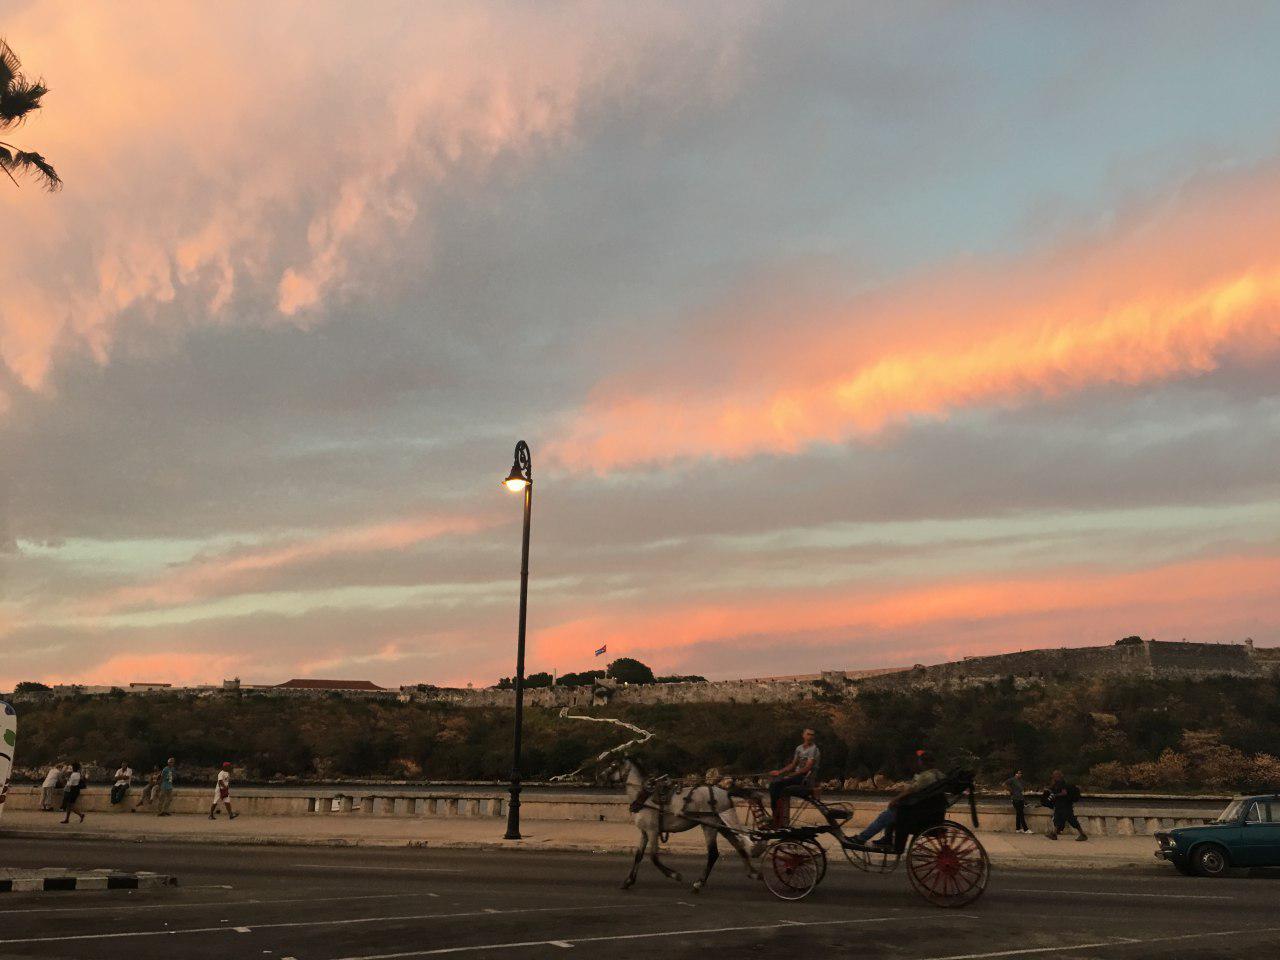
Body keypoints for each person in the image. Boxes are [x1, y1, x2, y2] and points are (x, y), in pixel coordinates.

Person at [849, 749, 944, 850]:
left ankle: (862, 838)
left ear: (922, 762)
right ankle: (887, 838)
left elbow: (911, 789)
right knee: (890, 812)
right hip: (928, 812)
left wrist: (895, 799)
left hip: (917, 815)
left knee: (885, 816)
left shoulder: (926, 776)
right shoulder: (938, 774)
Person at [768, 728, 821, 826]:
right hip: (797, 775)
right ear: (803, 735)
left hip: (805, 777)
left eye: (812, 735)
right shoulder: (799, 748)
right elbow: (793, 765)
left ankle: (777, 818)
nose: (810, 737)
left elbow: (807, 767)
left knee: (776, 785)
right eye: (808, 734)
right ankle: (777, 816)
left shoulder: (813, 749)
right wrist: (779, 772)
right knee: (774, 785)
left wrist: (792, 775)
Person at [1045, 770, 1087, 841]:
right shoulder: (1056, 783)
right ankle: (1054, 834)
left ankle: (1083, 834)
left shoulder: (1062, 783)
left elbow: (1064, 793)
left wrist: (1055, 795)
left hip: (1065, 806)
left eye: (1054, 775)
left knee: (1072, 820)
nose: (1053, 776)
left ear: (1058, 776)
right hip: (1059, 805)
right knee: (1057, 819)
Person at [1005, 769, 1031, 834]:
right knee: (1021, 814)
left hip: (1021, 799)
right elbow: (1004, 784)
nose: (1020, 774)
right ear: (1015, 774)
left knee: (1019, 814)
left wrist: (1025, 801)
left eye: (1021, 773)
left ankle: (1018, 829)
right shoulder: (1012, 780)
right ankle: (1026, 829)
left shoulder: (1020, 781)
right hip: (1015, 799)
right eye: (1019, 773)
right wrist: (1011, 791)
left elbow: (1021, 792)